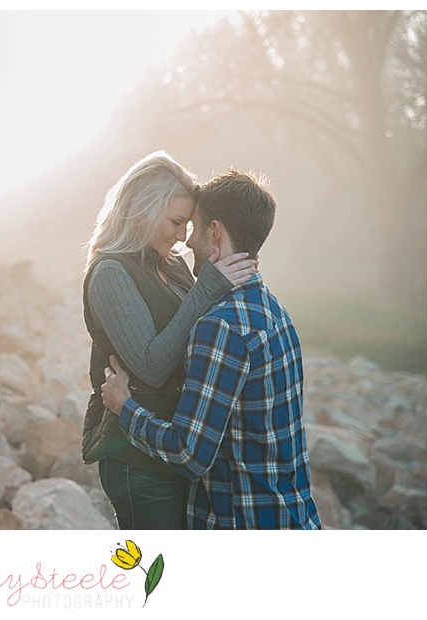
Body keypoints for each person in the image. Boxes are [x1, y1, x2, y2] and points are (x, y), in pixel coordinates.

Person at [101, 169, 321, 529]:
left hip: (243, 523)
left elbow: (188, 453)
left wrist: (124, 406)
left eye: (194, 228)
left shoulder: (221, 326)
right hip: (292, 516)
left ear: (215, 232)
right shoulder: (273, 310)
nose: (186, 243)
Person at [81, 152, 257, 530]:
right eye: (176, 222)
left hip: (175, 449)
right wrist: (210, 284)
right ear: (142, 210)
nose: (181, 236)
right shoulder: (110, 273)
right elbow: (152, 366)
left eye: (187, 224)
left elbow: (195, 333)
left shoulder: (171, 263)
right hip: (137, 461)